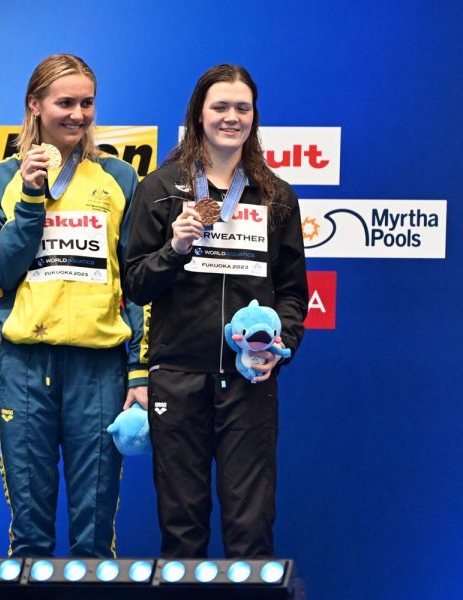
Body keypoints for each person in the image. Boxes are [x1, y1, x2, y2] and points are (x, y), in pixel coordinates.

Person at [124, 64, 308, 558]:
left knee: (251, 529)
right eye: (220, 106)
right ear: (198, 115)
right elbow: (136, 284)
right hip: (178, 378)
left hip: (249, 379)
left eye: (242, 108)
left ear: (254, 117)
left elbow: (293, 293)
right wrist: (175, 248)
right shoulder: (161, 188)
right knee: (182, 529)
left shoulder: (276, 196)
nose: (232, 117)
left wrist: (280, 347)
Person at [0, 54, 148, 558]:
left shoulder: (120, 177)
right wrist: (30, 198)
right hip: (25, 365)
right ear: (35, 105)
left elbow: (137, 282)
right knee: (30, 537)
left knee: (94, 539)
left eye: (87, 103)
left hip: (101, 367)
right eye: (65, 102)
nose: (77, 114)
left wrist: (139, 367)